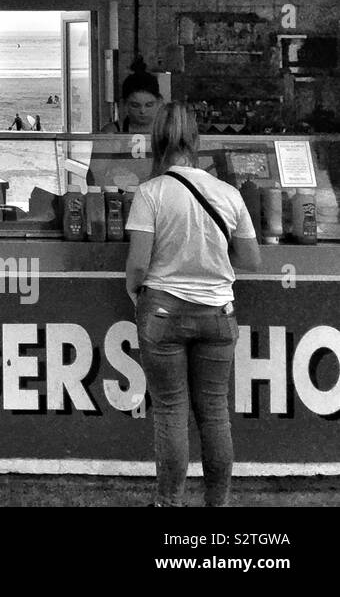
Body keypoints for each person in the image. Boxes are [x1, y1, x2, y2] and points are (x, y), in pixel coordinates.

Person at [125, 103, 260, 508]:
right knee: (215, 412)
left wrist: (137, 292)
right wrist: (211, 262)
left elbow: (138, 262)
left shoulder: (150, 194)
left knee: (170, 411)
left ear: (157, 142)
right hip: (218, 315)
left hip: (163, 311)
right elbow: (251, 259)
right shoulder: (228, 194)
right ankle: (217, 503)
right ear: (197, 141)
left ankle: (169, 503)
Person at [111, 58, 165, 133]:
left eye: (149, 105)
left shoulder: (169, 130)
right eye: (135, 105)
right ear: (124, 104)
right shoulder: (112, 132)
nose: (142, 111)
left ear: (159, 101)